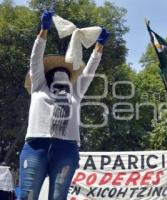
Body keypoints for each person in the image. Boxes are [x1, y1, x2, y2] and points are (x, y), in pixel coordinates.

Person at [19, 10, 110, 200]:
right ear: (47, 76)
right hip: (36, 145)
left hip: (66, 149)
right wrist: (43, 30)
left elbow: (90, 71)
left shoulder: (75, 93)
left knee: (58, 198)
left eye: (66, 74)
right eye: (56, 72)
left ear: (71, 80)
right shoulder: (39, 87)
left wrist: (99, 46)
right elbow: (35, 59)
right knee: (27, 196)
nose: (61, 75)